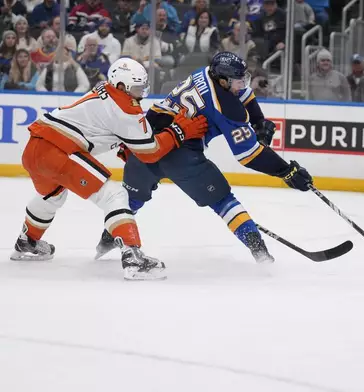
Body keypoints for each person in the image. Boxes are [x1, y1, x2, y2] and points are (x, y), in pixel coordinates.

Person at [94, 52, 313, 264]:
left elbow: (243, 94)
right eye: (238, 80)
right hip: (181, 154)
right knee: (223, 201)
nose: (243, 84)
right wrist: (287, 171)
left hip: (146, 143)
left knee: (132, 200)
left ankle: (104, 245)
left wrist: (257, 120)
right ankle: (261, 252)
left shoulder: (207, 72)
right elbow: (250, 155)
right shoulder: (226, 106)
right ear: (224, 81)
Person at [10, 58, 208, 281]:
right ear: (122, 86)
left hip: (35, 147)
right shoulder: (126, 108)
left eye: (143, 87)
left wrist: (124, 142)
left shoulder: (105, 88)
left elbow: (105, 125)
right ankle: (133, 256)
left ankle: (28, 241)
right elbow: (150, 150)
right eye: (137, 88)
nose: (141, 93)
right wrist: (179, 131)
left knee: (51, 196)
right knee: (114, 195)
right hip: (58, 150)